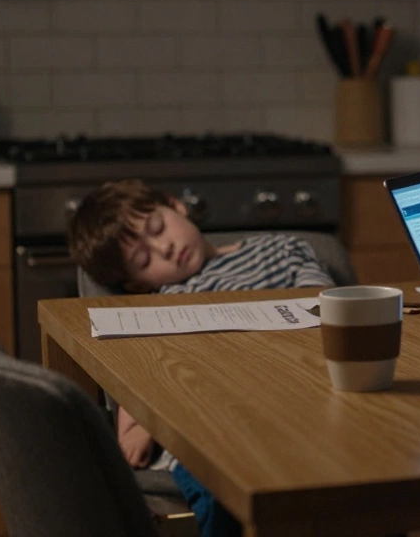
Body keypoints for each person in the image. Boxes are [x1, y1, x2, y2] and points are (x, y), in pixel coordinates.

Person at [68, 178, 335, 537]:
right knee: (221, 489)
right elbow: (140, 366)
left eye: (158, 228)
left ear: (176, 206)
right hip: (211, 429)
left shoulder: (283, 250)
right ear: (136, 285)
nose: (164, 248)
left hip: (300, 399)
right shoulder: (162, 302)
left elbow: (329, 310)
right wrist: (138, 423)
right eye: (144, 260)